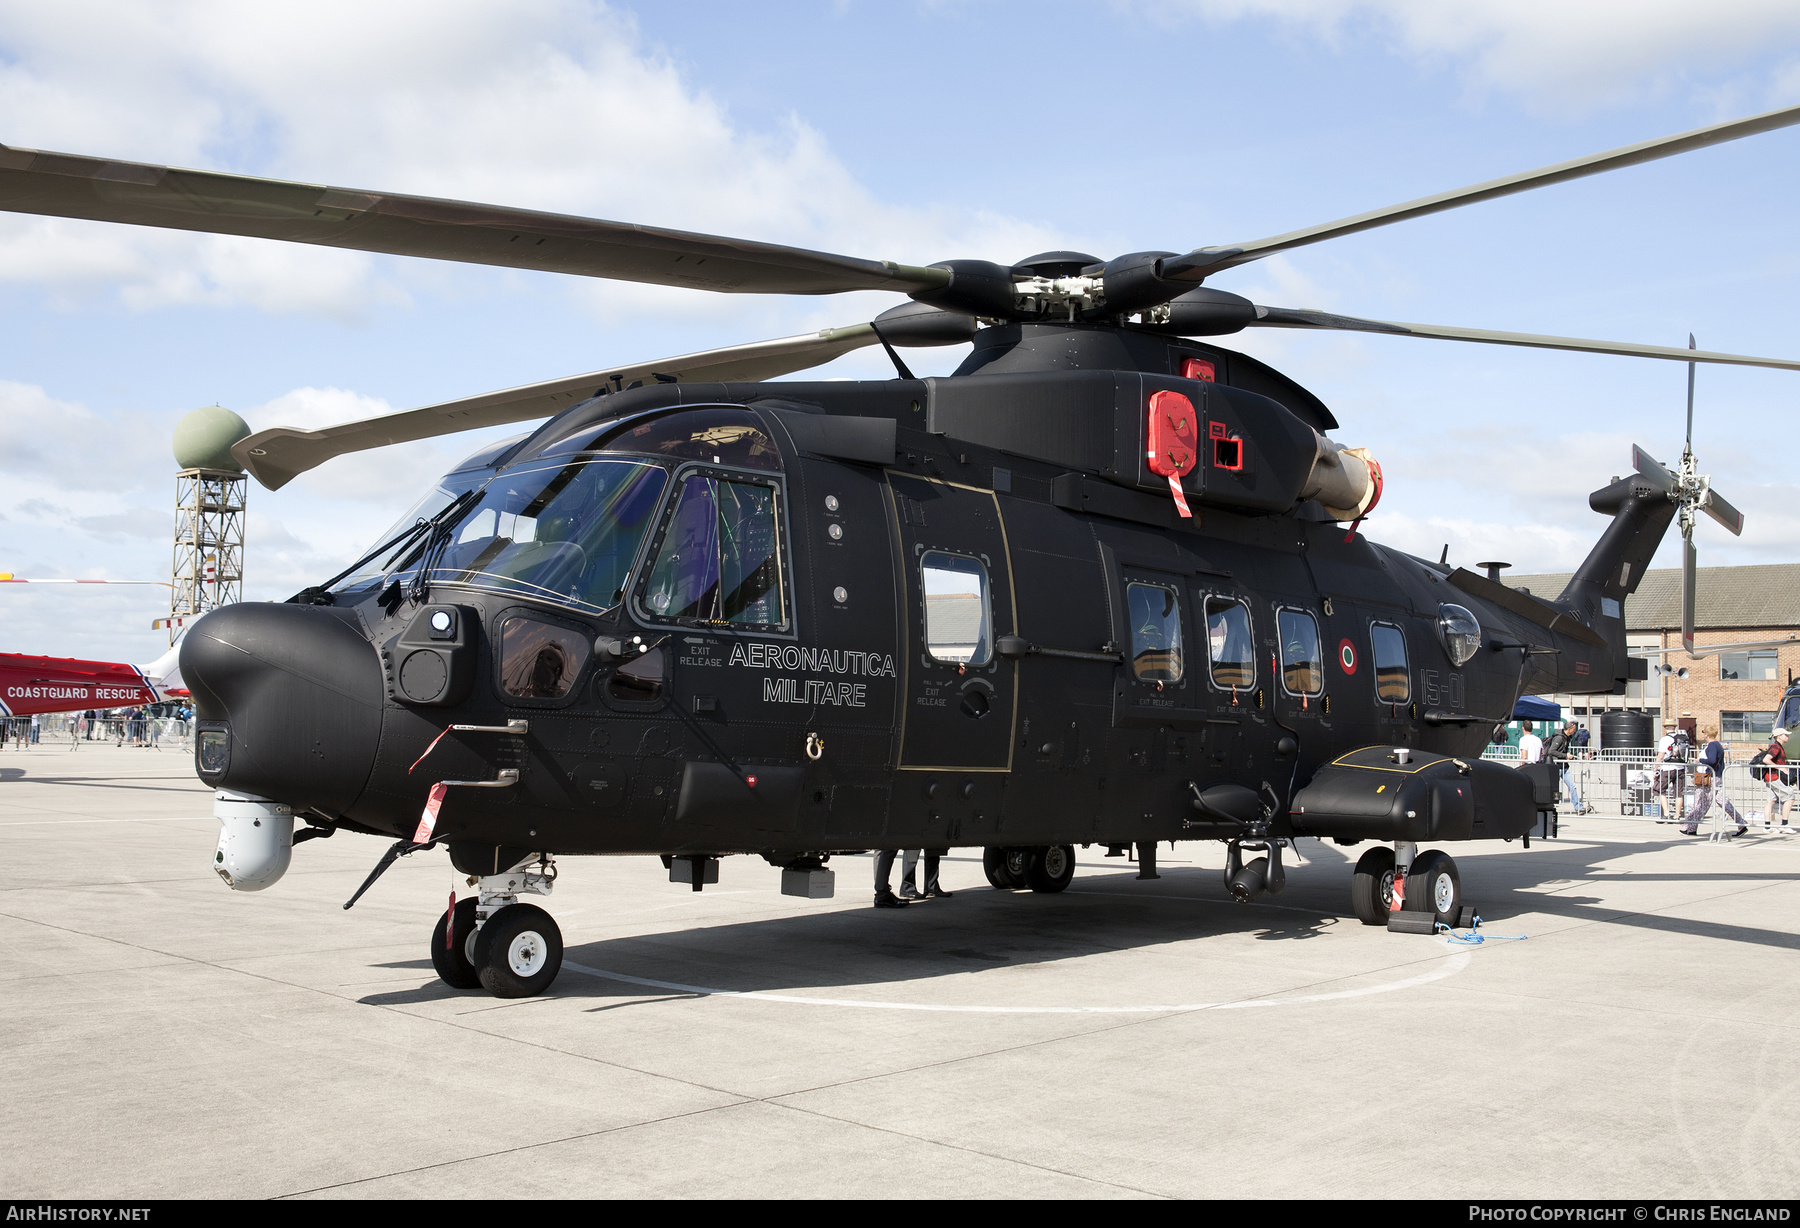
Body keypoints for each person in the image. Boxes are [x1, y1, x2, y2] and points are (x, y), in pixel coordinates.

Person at [1680, 724, 1747, 837]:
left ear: (1706, 734)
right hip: (1717, 776)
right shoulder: (1717, 745)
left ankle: (1691, 826)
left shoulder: (1712, 746)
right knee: (1722, 801)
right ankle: (1741, 823)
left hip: (1711, 777)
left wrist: (1700, 760)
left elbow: (1711, 760)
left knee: (1702, 802)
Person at [1750, 728, 1794, 834]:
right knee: (1790, 797)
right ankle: (1784, 824)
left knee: (1771, 800)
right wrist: (1780, 767)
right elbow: (1766, 759)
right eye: (1785, 735)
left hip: (1770, 777)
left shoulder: (1776, 746)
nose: (1787, 737)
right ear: (1779, 736)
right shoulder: (1776, 747)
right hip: (1774, 777)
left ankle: (1767, 827)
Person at [1544, 720, 1586, 813]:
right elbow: (1551, 751)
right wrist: (1565, 756)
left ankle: (1578, 807)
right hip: (1556, 766)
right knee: (1553, 787)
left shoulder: (1567, 738)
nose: (1575, 731)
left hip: (1564, 767)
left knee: (1572, 786)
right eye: (1574, 729)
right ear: (1569, 729)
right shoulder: (1559, 738)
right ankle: (1548, 806)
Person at [1655, 722, 1688, 822]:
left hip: (1667, 768)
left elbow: (1660, 756)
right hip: (1680, 767)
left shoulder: (1664, 739)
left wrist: (1655, 769)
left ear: (1665, 728)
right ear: (1675, 727)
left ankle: (1666, 814)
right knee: (1678, 792)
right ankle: (1677, 815)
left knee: (1660, 790)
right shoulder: (1682, 738)